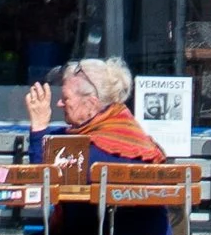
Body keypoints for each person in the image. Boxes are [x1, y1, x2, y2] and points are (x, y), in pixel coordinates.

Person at [23, 57, 165, 168]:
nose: (59, 103)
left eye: (65, 98)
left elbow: (45, 179)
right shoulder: (127, 131)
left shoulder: (95, 151)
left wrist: (39, 126)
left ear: (91, 104)